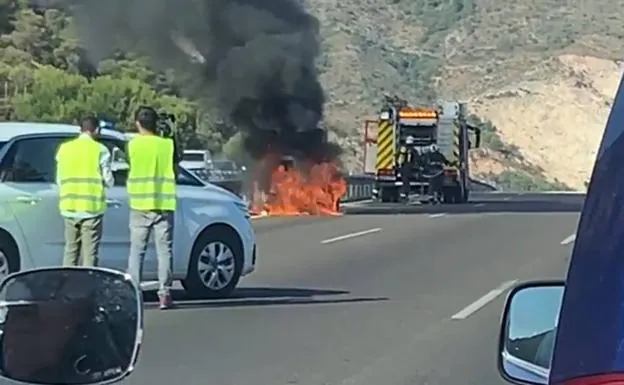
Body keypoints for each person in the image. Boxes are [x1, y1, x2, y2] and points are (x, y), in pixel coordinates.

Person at [126, 106, 177, 310]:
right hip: (163, 204)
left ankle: (134, 293)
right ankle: (164, 294)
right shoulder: (167, 145)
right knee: (164, 252)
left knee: (137, 251)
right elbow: (175, 166)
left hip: (140, 204)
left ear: (137, 123)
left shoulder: (132, 145)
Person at [56, 116, 114, 267]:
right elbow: (109, 180)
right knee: (90, 254)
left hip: (69, 207)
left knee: (70, 251)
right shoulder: (100, 150)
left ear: (80, 129)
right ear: (96, 130)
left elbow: (59, 179)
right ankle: (88, 287)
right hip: (91, 209)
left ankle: (67, 284)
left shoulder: (64, 149)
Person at [397, 136, 416, 202]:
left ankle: (404, 195)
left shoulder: (402, 148)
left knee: (405, 181)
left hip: (402, 167)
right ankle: (404, 195)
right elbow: (416, 158)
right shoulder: (412, 150)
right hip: (409, 168)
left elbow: (397, 157)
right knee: (406, 182)